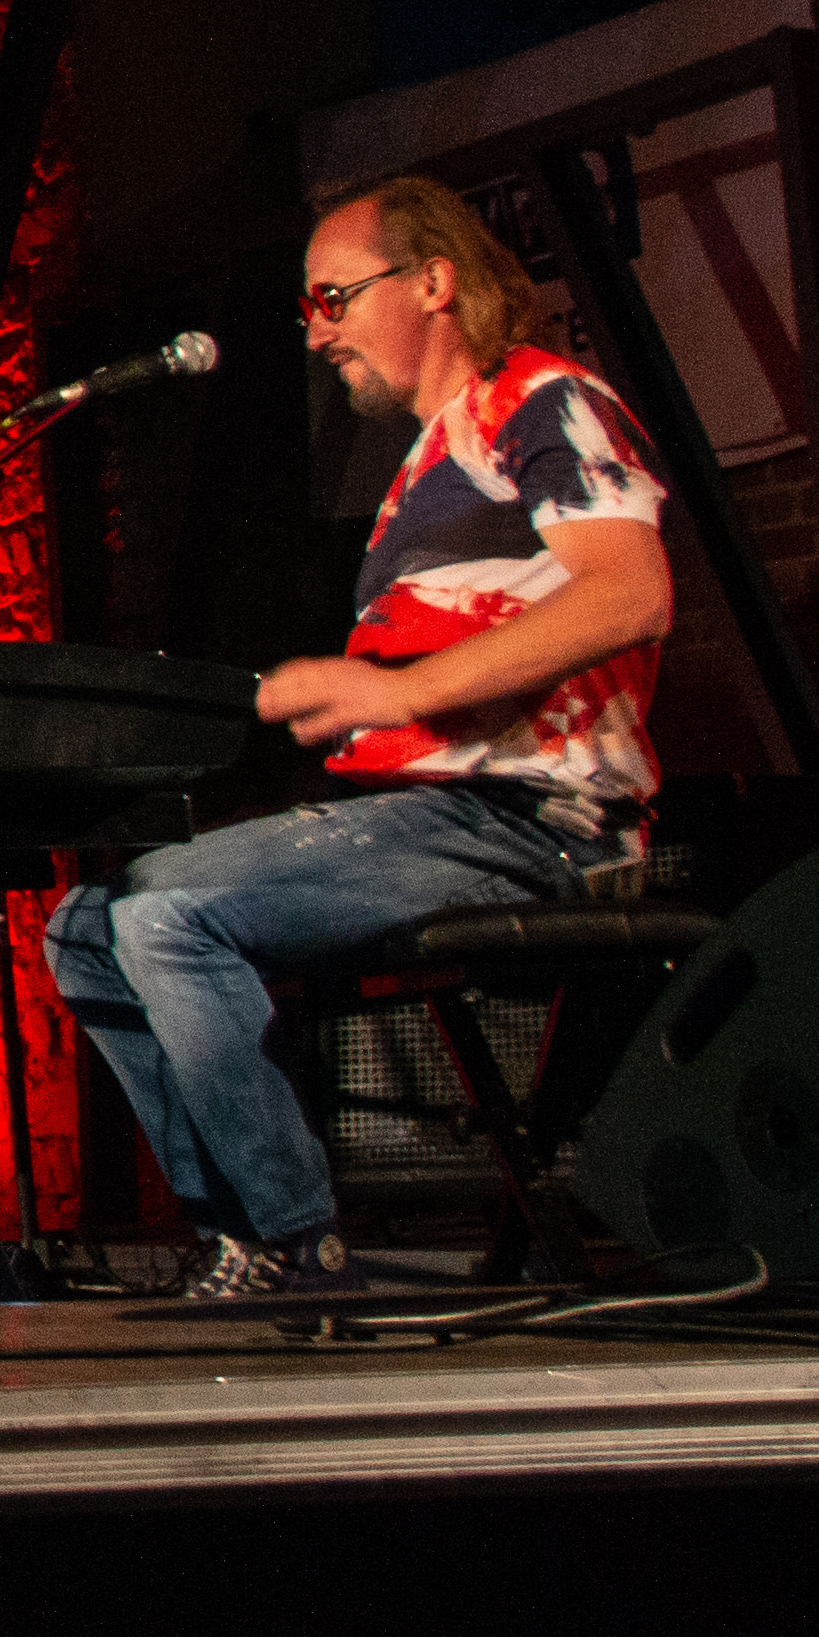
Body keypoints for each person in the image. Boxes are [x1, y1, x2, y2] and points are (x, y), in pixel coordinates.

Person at [49, 174, 676, 1302]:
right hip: (431, 816)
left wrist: (398, 693)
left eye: (333, 298)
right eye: (310, 308)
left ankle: (297, 1245)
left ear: (434, 281)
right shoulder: (432, 457)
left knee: (169, 918)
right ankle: (239, 1234)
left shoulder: (544, 400)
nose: (316, 332)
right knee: (85, 928)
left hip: (527, 822)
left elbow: (629, 594)